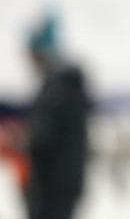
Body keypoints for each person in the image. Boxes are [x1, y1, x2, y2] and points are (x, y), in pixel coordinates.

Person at [23, 12, 92, 219]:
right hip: (63, 184)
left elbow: (42, 139)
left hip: (53, 187)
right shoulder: (67, 87)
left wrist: (20, 141)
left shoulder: (57, 91)